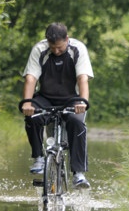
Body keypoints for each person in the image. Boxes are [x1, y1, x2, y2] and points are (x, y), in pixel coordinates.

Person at [20, 22, 93, 189]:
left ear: (67, 39)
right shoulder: (40, 50)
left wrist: (82, 101)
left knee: (77, 122)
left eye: (59, 48)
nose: (56, 51)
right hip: (46, 97)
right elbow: (31, 78)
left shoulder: (77, 49)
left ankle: (79, 173)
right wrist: (27, 102)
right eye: (52, 48)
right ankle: (38, 157)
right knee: (32, 116)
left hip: (72, 98)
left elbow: (83, 78)